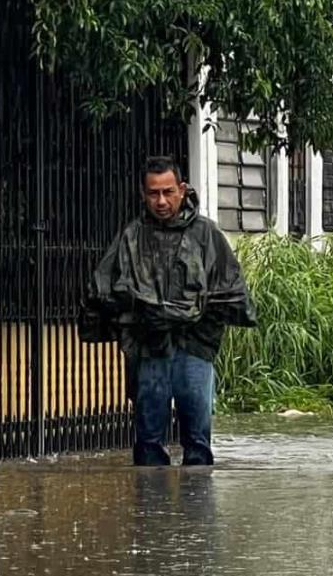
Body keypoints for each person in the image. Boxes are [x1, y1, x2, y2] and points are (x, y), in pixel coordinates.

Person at [86, 157, 256, 466]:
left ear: (181, 189)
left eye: (167, 192)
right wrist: (138, 314)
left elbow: (231, 289)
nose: (161, 201)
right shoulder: (132, 236)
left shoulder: (206, 234)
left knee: (197, 440)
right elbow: (105, 287)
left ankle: (198, 511)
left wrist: (196, 318)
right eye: (153, 193)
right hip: (150, 348)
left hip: (195, 347)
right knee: (148, 440)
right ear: (143, 194)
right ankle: (152, 511)